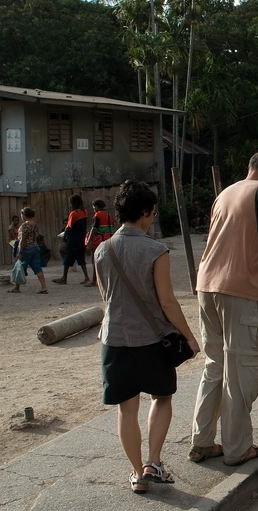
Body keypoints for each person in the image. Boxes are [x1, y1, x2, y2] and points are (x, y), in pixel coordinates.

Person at [94, 180, 200, 494]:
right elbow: (167, 301)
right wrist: (189, 337)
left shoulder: (102, 250)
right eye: (152, 212)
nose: (152, 217)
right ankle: (154, 461)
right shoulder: (156, 250)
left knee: (126, 409)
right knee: (161, 398)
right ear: (144, 213)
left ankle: (137, 473)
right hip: (152, 341)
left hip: (114, 340)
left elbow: (106, 298)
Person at [190, 151, 258, 466]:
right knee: (240, 371)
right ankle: (238, 449)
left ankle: (202, 442)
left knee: (214, 366)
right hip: (241, 290)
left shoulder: (226, 193)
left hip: (207, 285)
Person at [8, 207, 49, 294]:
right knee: (37, 268)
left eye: (21, 214)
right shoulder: (34, 224)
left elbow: (23, 239)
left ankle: (16, 287)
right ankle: (44, 287)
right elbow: (38, 236)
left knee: (20, 267)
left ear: (24, 215)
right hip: (35, 248)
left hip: (27, 249)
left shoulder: (25, 225)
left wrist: (20, 251)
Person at [53, 194, 90, 284]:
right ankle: (86, 277)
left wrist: (64, 237)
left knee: (67, 259)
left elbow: (68, 228)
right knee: (81, 259)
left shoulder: (73, 214)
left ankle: (64, 278)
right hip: (82, 239)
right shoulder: (84, 212)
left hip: (73, 240)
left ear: (73, 203)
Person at [85, 199, 115, 288]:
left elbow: (94, 229)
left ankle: (94, 281)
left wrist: (89, 241)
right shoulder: (110, 216)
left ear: (97, 207)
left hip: (98, 241)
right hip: (109, 240)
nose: (94, 209)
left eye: (94, 207)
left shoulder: (97, 215)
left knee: (94, 260)